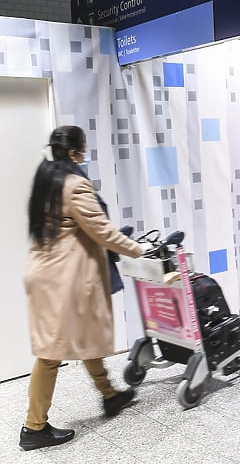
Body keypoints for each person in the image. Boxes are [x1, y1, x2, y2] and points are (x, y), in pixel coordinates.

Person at [19, 125, 147, 451]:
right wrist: (139, 250)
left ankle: (110, 395)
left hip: (49, 272)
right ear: (76, 151)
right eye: (84, 147)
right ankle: (34, 428)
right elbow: (102, 232)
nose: (85, 153)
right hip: (61, 279)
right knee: (50, 353)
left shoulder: (47, 178)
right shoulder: (74, 185)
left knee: (87, 334)